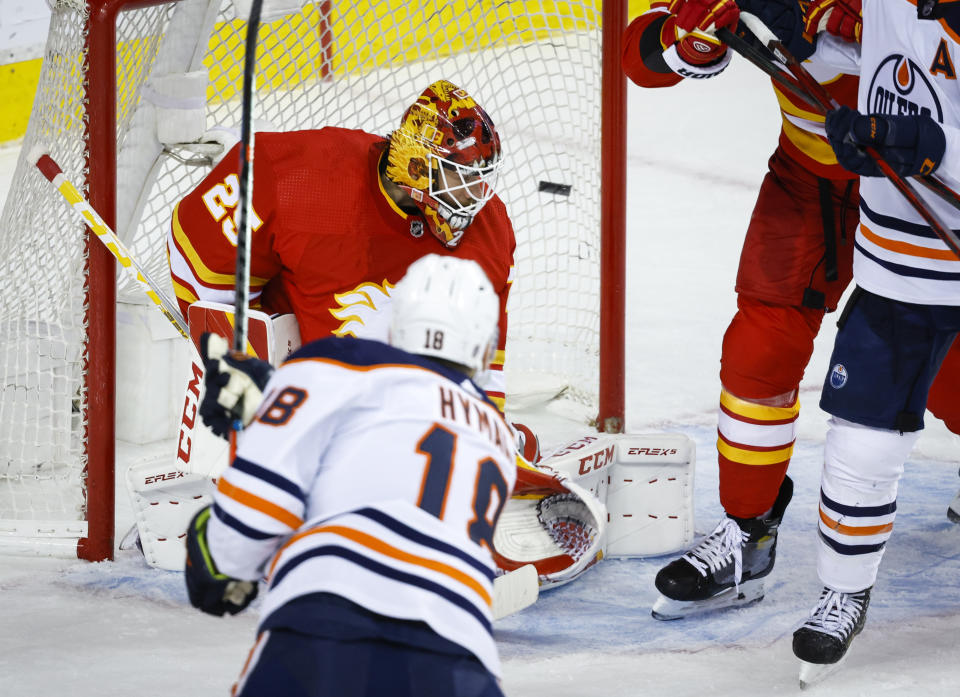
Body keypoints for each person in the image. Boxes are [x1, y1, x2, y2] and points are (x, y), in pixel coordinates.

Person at [621, 0, 960, 620]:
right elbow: (641, 59)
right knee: (758, 351)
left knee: (948, 377)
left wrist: (834, 30)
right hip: (810, 180)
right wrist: (692, 32)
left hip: (922, 192)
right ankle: (749, 529)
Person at [184, 254, 516, 697]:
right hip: (462, 658)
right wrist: (275, 403)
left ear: (396, 324)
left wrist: (267, 416)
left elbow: (248, 528)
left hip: (325, 631)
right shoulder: (497, 433)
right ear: (484, 344)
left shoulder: (335, 364)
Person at [789, 0, 960, 677]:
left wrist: (918, 141)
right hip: (893, 262)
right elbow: (876, 56)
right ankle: (843, 592)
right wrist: (806, 43)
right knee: (859, 439)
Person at [168, 78, 514, 410]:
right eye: (462, 176)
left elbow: (483, 373)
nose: (476, 197)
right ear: (417, 165)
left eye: (481, 178)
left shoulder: (490, 230)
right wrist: (246, 357)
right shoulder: (298, 177)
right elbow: (197, 247)